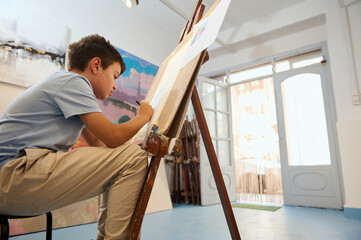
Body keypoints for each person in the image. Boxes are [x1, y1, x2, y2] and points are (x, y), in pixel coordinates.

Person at [0, 34, 154, 240]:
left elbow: (102, 143)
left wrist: (130, 142)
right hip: (12, 176)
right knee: (133, 158)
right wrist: (144, 117)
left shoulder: (65, 86)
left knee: (125, 158)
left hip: (13, 176)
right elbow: (112, 136)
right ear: (96, 65)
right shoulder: (73, 82)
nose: (115, 86)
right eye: (115, 76)